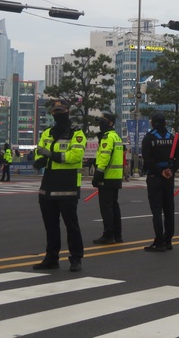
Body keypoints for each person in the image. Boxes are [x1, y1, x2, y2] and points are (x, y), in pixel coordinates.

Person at [32, 99, 87, 272]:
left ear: (68, 112)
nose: (57, 114)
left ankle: (76, 258)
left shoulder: (76, 133)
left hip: (67, 183)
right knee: (51, 225)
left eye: (60, 111)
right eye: (55, 112)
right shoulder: (47, 132)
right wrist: (38, 160)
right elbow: (38, 151)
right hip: (48, 183)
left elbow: (74, 157)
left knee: (71, 225)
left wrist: (50, 154)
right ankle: (51, 258)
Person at [141, 112, 179, 252]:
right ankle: (168, 240)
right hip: (169, 178)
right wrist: (170, 170)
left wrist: (160, 172)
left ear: (153, 123)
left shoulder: (149, 138)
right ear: (165, 123)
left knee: (157, 211)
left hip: (155, 177)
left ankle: (159, 241)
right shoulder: (172, 138)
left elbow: (147, 160)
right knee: (169, 210)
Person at [92, 112, 124, 245]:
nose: (100, 124)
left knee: (106, 207)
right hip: (115, 176)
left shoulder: (107, 137)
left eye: (103, 122)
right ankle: (117, 235)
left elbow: (105, 156)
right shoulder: (116, 136)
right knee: (114, 206)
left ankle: (108, 234)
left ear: (110, 123)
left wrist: (98, 174)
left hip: (107, 176)